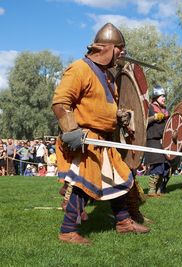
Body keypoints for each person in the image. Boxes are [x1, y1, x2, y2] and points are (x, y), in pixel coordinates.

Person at [52, 22, 150, 244]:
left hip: (104, 140)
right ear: (107, 48)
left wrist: (120, 115)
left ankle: (123, 222)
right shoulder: (80, 69)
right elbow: (60, 103)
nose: (122, 53)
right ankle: (68, 231)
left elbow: (103, 106)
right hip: (86, 139)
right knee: (83, 184)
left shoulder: (107, 76)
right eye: (119, 49)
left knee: (118, 178)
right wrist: (72, 132)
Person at [145, 85, 170, 196]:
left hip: (163, 141)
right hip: (152, 139)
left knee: (165, 165)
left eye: (164, 96)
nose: (164, 98)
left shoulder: (164, 110)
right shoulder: (149, 108)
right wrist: (154, 117)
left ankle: (159, 189)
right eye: (161, 96)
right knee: (157, 164)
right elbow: (142, 121)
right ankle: (151, 190)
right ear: (155, 97)